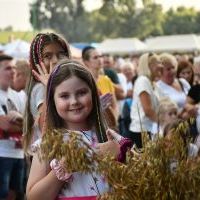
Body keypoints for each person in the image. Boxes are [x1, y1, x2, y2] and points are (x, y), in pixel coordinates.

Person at [26, 59, 131, 200]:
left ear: (93, 94)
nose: (74, 101)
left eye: (81, 93)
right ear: (53, 100)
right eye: (64, 96)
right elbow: (34, 197)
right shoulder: (48, 144)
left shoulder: (109, 137)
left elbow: (138, 181)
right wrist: (63, 168)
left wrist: (121, 155)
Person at [23, 32, 71, 153]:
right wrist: (49, 87)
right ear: (37, 63)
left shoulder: (63, 86)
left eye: (61, 54)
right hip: (50, 159)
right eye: (47, 56)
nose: (55, 61)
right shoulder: (41, 88)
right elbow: (46, 128)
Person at [0, 54, 24, 200]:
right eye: (8, 68)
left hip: (19, 153)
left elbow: (33, 124)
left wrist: (19, 120)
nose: (13, 71)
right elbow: (5, 126)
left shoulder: (18, 95)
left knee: (18, 195)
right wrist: (24, 123)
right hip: (2, 154)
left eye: (14, 67)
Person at [128, 53, 162, 148]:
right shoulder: (143, 80)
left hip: (150, 129)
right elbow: (147, 110)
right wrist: (164, 125)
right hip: (141, 132)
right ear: (149, 65)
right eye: (158, 63)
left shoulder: (153, 83)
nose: (161, 66)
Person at [82, 46, 119, 130]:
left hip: (110, 126)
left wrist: (114, 121)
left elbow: (114, 104)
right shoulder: (84, 81)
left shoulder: (106, 80)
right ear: (86, 62)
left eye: (100, 56)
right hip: (92, 127)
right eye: (95, 57)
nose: (100, 59)